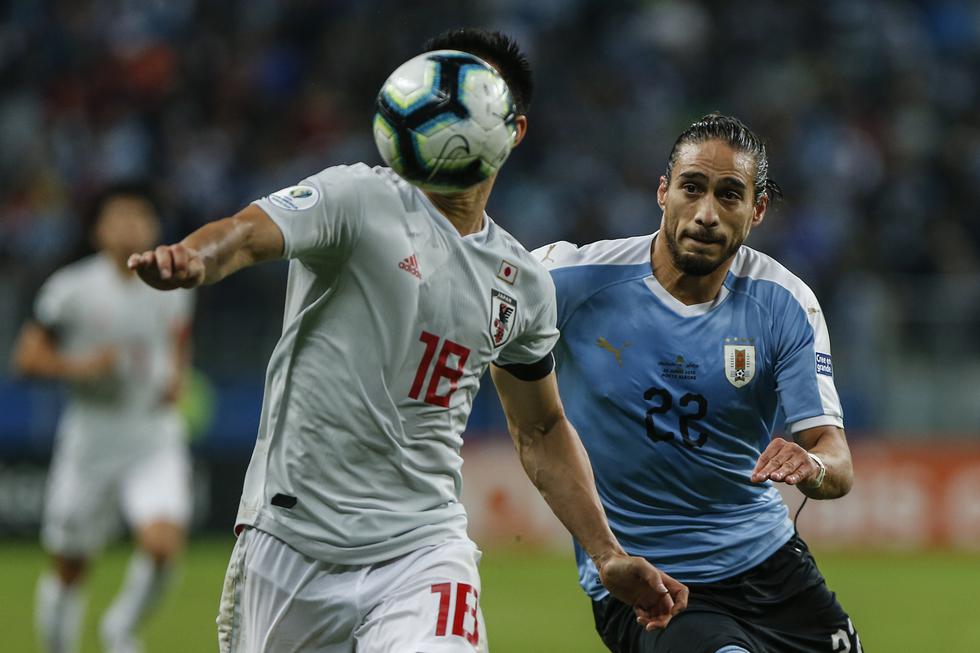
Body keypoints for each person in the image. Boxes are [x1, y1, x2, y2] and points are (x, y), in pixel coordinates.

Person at [127, 28, 688, 653]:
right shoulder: (359, 197)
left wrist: (606, 553)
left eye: (472, 92)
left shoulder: (522, 283)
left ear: (513, 130)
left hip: (424, 549)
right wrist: (193, 259)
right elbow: (248, 233)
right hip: (291, 540)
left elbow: (541, 429)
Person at [535, 113, 862, 653]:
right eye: (692, 188)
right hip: (651, 585)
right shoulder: (569, 281)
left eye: (730, 195)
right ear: (663, 192)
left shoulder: (785, 303)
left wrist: (814, 466)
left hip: (770, 567)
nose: (707, 213)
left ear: (756, 210)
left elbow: (838, 461)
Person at [12, 182, 194, 653]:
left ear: (154, 226)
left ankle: (121, 628)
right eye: (120, 217)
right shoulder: (70, 289)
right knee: (70, 565)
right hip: (91, 436)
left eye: (140, 216)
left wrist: (177, 376)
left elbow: (177, 339)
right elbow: (26, 358)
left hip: (152, 434)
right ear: (99, 230)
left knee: (162, 545)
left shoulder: (174, 284)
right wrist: (81, 367)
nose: (131, 226)